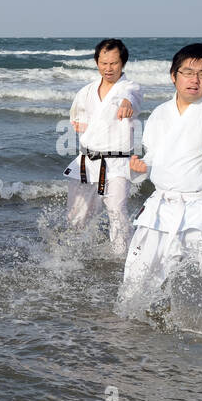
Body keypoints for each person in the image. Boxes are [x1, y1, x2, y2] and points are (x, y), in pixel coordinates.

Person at [117, 43, 202, 336]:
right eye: (188, 72)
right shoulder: (160, 115)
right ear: (173, 75)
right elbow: (153, 155)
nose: (195, 80)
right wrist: (141, 166)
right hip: (161, 207)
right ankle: (133, 329)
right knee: (137, 276)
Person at [64, 38, 142, 253]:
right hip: (87, 161)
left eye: (114, 63)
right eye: (103, 62)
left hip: (117, 162)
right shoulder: (86, 91)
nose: (108, 68)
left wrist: (127, 103)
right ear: (97, 62)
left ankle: (122, 256)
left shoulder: (129, 87)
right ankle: (76, 255)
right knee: (76, 216)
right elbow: (77, 117)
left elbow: (131, 98)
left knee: (116, 210)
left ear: (123, 63)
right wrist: (81, 126)